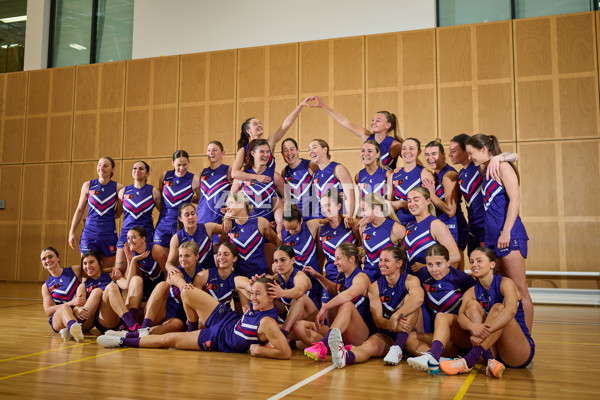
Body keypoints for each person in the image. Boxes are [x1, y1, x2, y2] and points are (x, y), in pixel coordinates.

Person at [96, 277, 292, 360]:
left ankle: (123, 340)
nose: (253, 298)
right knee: (187, 292)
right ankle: (191, 330)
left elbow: (285, 353)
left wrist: (259, 351)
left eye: (258, 294)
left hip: (217, 338)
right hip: (227, 319)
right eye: (253, 293)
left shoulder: (267, 322)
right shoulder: (259, 302)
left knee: (169, 340)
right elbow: (237, 282)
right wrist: (253, 286)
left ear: (272, 296)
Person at [465, 134, 532, 332]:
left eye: (471, 153)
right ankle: (510, 336)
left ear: (484, 150)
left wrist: (507, 232)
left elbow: (515, 200)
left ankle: (527, 338)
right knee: (505, 291)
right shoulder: (486, 169)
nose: (470, 157)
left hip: (509, 235)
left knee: (520, 291)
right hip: (494, 237)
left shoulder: (502, 165)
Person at [439, 247, 535, 378]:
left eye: (479, 261)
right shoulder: (471, 291)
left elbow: (511, 310)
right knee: (471, 305)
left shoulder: (506, 283)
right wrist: (475, 328)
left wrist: (482, 334)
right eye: (472, 261)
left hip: (517, 351)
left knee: (498, 308)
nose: (474, 265)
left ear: (492, 264)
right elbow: (461, 317)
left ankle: (469, 360)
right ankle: (490, 361)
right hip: (490, 349)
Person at [327, 247, 424, 368]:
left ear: (399, 263)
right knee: (368, 346)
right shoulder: (375, 287)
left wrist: (396, 316)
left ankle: (399, 346)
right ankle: (344, 357)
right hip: (388, 333)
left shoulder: (411, 280)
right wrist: (392, 324)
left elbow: (418, 299)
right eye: (380, 260)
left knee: (410, 301)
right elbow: (378, 320)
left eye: (386, 261)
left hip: (409, 333)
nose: (382, 264)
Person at [106, 241, 203, 338]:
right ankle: (144, 327)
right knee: (163, 285)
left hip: (175, 317)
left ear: (197, 256)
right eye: (181, 256)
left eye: (187, 256)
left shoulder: (202, 274)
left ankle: (134, 335)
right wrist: (185, 286)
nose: (183, 259)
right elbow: (175, 278)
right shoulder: (175, 271)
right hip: (159, 311)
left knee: (178, 325)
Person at [405, 244, 475, 374]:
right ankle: (442, 361)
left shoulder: (463, 279)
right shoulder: (423, 274)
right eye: (430, 264)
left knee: (442, 316)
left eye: (439, 264)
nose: (434, 269)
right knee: (408, 339)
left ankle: (433, 357)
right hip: (442, 340)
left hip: (461, 337)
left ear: (448, 262)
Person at [298, 243, 373, 360]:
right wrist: (318, 276)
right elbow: (333, 289)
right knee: (299, 326)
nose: (335, 263)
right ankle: (335, 346)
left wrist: (325, 307)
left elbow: (350, 294)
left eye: (338, 258)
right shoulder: (341, 276)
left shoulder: (361, 277)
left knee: (346, 304)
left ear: (352, 259)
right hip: (342, 332)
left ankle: (323, 346)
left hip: (360, 333)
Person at [448, 134, 520, 256]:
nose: (450, 154)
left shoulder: (481, 166)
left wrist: (498, 158)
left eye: (453, 151)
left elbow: (514, 156)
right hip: (474, 227)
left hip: (489, 225)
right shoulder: (461, 174)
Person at [231, 98, 312, 198]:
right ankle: (228, 208)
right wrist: (257, 177)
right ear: (248, 130)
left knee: (280, 184)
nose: (260, 125)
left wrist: (299, 107)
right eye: (255, 124)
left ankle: (291, 209)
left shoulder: (269, 142)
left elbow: (285, 125)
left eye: (260, 123)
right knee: (236, 183)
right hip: (252, 188)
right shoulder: (243, 150)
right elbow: (234, 173)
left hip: (269, 186)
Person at [312, 96, 403, 168]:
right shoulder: (367, 137)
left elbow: (414, 164)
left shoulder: (395, 146)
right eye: (372, 120)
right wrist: (324, 106)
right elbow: (344, 121)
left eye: (378, 120)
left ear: (388, 125)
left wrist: (400, 170)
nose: (373, 123)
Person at [68, 156, 123, 273]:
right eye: (99, 165)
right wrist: (71, 232)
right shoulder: (88, 185)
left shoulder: (118, 188)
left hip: (108, 234)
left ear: (112, 169)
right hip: (89, 234)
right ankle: (86, 291)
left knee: (106, 272)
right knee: (87, 271)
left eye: (106, 166)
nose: (101, 168)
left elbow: (118, 212)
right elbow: (79, 210)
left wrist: (106, 219)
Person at [423, 140, 469, 270]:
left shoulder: (449, 175)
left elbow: (450, 211)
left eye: (434, 154)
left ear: (443, 155)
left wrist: (431, 194)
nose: (430, 158)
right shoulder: (435, 174)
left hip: (454, 225)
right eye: (427, 154)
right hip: (440, 225)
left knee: (454, 273)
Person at [115, 161, 161, 279]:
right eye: (135, 168)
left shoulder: (153, 191)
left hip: (144, 235)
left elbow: (164, 213)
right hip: (126, 233)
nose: (137, 171)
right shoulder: (123, 192)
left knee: (141, 270)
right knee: (119, 269)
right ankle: (123, 295)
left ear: (147, 173)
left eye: (141, 169)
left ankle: (140, 295)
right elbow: (117, 213)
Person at [314, 189, 360, 305]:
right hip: (330, 278)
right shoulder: (321, 230)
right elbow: (321, 257)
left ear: (339, 206)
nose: (324, 209)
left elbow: (361, 249)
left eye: (328, 205)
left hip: (352, 278)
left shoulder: (351, 224)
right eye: (322, 206)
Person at [402, 187, 460, 274]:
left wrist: (427, 266)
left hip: (430, 282)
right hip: (412, 281)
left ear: (428, 201)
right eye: (409, 201)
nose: (412, 204)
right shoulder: (409, 225)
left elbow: (455, 257)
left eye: (416, 200)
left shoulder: (435, 224)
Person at [224, 192, 282, 278]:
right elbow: (221, 248)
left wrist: (279, 262)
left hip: (262, 276)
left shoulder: (260, 222)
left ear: (242, 203)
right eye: (226, 205)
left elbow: (278, 242)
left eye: (230, 203)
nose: (227, 208)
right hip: (240, 279)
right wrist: (226, 218)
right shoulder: (227, 226)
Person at [81, 250, 142, 333]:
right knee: (111, 286)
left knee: (137, 279)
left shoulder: (112, 275)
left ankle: (129, 323)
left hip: (120, 316)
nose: (88, 266)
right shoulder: (84, 285)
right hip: (105, 320)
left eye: (91, 262)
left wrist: (131, 261)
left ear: (100, 263)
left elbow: (127, 285)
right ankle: (131, 325)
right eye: (85, 263)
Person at [279, 204, 326, 307]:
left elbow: (331, 221)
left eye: (294, 228)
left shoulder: (311, 225)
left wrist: (346, 218)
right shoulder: (280, 236)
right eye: (288, 229)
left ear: (301, 221)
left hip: (316, 277)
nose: (291, 232)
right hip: (298, 281)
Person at [41, 247, 92, 341]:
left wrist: (112, 269)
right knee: (65, 307)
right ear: (43, 264)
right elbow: (48, 310)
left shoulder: (74, 270)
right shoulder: (46, 286)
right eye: (44, 259)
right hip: (59, 320)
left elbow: (95, 270)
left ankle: (71, 329)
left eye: (50, 256)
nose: (47, 260)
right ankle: (73, 327)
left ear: (58, 258)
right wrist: (71, 303)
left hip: (80, 314)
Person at [267, 245, 317, 339]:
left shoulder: (299, 276)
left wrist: (281, 293)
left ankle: (284, 334)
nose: (279, 264)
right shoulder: (277, 277)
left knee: (300, 297)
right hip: (294, 322)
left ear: (292, 260)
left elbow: (299, 291)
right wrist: (256, 283)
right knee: (267, 293)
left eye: (283, 260)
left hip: (313, 320)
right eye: (276, 261)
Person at [233, 138, 284, 230]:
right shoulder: (242, 175)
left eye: (268, 152)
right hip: (246, 226)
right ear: (253, 153)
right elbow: (232, 197)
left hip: (267, 226)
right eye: (262, 151)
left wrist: (280, 219)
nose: (265, 155)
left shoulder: (275, 176)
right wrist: (227, 218)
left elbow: (288, 199)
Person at [154, 150, 200, 249]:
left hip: (182, 225)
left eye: (185, 164)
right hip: (163, 224)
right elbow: (159, 197)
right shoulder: (164, 176)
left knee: (180, 258)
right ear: (172, 163)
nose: (181, 168)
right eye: (178, 165)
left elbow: (201, 202)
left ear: (189, 163)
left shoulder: (194, 180)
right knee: (159, 255)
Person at [120, 226, 167, 322]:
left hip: (159, 287)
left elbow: (167, 274)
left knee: (147, 311)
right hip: (147, 288)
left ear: (143, 239)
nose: (130, 241)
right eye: (128, 238)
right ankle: (130, 325)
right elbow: (131, 281)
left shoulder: (156, 250)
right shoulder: (134, 254)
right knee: (140, 311)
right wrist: (130, 260)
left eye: (133, 237)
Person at [356, 193, 405, 281]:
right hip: (366, 277)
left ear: (377, 209)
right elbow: (367, 251)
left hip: (386, 279)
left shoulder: (396, 229)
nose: (361, 213)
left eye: (364, 210)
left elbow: (405, 255)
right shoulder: (363, 227)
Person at [165, 203, 225, 273]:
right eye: (187, 215)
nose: (191, 217)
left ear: (196, 215)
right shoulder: (176, 238)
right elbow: (169, 263)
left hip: (209, 274)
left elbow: (225, 230)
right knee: (165, 282)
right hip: (188, 276)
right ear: (180, 218)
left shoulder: (208, 228)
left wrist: (220, 245)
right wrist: (170, 267)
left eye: (193, 214)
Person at [388, 138, 435, 226]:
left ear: (419, 152)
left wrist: (402, 203)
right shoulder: (393, 176)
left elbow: (429, 203)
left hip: (420, 223)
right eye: (404, 148)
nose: (407, 151)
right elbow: (390, 205)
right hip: (399, 224)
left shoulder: (425, 173)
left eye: (412, 148)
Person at [309, 139, 355, 218]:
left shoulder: (338, 168)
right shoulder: (315, 175)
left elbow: (350, 196)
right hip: (322, 220)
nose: (311, 151)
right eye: (309, 149)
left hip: (338, 219)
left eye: (314, 147)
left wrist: (348, 218)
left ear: (324, 150)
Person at [197, 141, 231, 231]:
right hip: (201, 217)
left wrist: (229, 215)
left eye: (214, 150)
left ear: (223, 153)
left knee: (217, 244)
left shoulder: (228, 169)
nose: (211, 153)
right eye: (209, 150)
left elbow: (237, 194)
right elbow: (200, 197)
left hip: (219, 218)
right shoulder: (203, 172)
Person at [281, 138, 318, 220]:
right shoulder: (284, 172)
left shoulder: (310, 165)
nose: (289, 153)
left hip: (313, 216)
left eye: (292, 149)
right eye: (285, 150)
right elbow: (287, 199)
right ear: (282, 153)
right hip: (296, 219)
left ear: (298, 150)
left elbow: (327, 176)